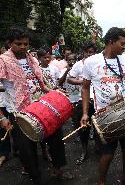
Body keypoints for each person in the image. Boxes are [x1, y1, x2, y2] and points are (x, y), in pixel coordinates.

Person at [0, 27, 72, 184]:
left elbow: (41, 84)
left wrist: (55, 93)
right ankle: (36, 178)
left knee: (56, 138)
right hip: (19, 112)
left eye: (26, 43)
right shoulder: (3, 61)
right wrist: (2, 118)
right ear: (9, 43)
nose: (23, 47)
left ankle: (57, 170)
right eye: (18, 44)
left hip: (42, 106)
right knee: (27, 149)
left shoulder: (32, 59)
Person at [80, 27, 125, 185]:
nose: (124, 47)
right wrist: (85, 113)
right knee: (107, 154)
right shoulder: (90, 62)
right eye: (122, 43)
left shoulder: (124, 59)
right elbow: (85, 88)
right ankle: (102, 181)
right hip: (104, 116)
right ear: (111, 41)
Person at [67, 42, 97, 165]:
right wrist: (82, 82)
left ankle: (98, 147)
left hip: (97, 101)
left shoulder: (99, 63)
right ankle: (84, 150)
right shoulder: (78, 65)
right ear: (83, 52)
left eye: (92, 52)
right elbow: (69, 78)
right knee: (83, 128)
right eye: (87, 52)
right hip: (83, 100)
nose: (90, 54)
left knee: (97, 127)